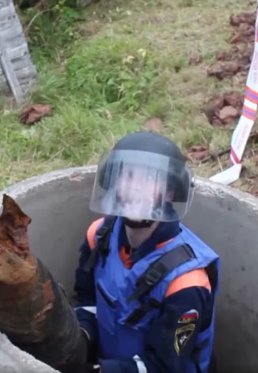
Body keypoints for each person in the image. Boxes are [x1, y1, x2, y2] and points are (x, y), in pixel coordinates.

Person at [73, 131, 221, 373]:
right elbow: (86, 298)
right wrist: (81, 337)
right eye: (127, 176)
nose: (135, 188)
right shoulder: (98, 236)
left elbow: (165, 366)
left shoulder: (185, 282)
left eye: (150, 179)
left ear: (171, 193)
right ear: (113, 182)